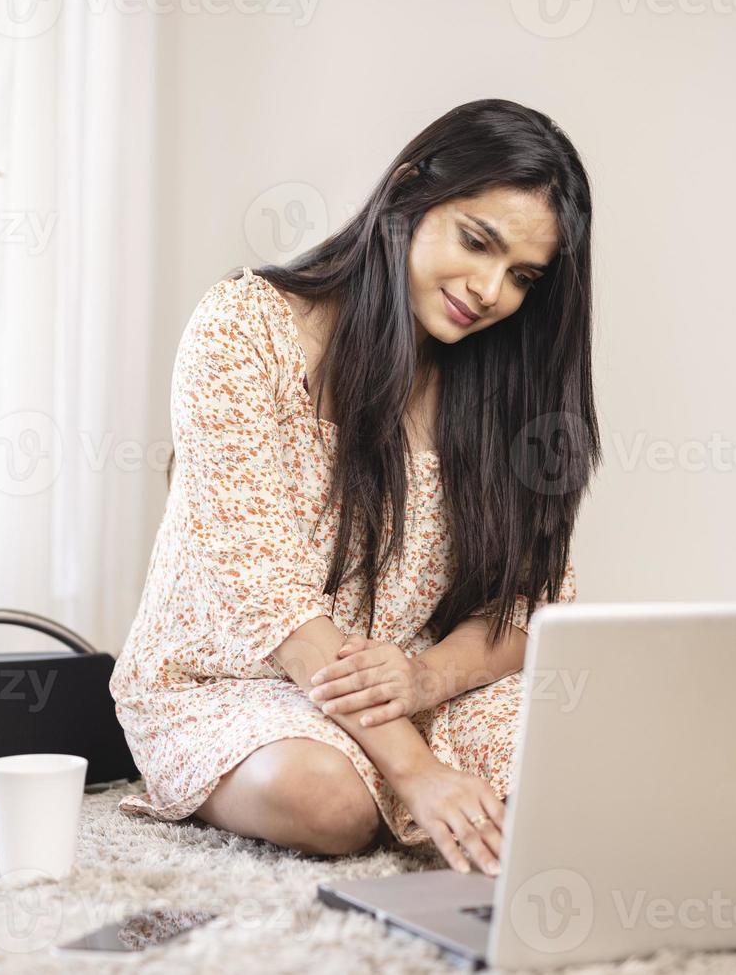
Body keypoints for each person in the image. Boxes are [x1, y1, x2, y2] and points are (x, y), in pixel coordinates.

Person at [110, 98, 597, 877]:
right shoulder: (243, 328)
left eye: (522, 277)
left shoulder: (500, 384)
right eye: (477, 242)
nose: (490, 290)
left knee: (602, 754)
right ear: (409, 193)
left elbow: (528, 605)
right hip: (237, 683)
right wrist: (418, 773)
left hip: (412, 689)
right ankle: (373, 787)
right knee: (329, 800)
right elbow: (269, 602)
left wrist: (426, 678)